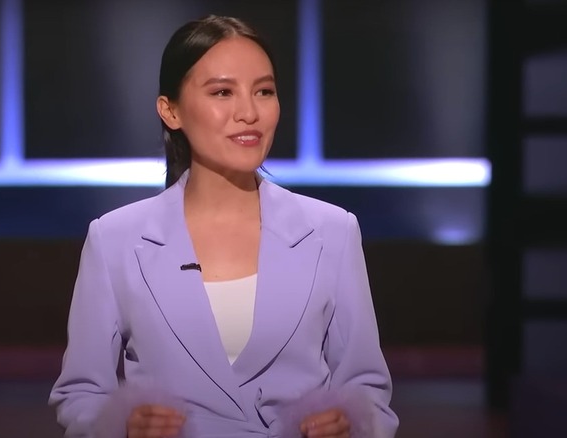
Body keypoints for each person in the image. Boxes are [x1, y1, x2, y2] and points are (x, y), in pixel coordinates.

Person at [50, 15, 398, 438]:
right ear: (171, 110)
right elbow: (80, 393)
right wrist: (123, 425)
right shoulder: (115, 241)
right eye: (222, 92)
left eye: (264, 91)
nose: (249, 113)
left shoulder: (333, 232)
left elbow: (367, 388)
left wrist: (350, 423)